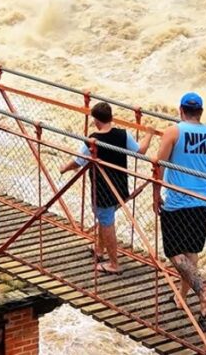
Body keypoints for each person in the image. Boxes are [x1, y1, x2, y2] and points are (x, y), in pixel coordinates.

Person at [154, 92, 206, 320]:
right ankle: (181, 298)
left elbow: (159, 166)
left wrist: (155, 194)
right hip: (202, 201)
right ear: (201, 112)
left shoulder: (173, 131)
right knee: (191, 252)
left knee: (174, 253)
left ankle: (204, 296)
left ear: (181, 110)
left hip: (178, 201)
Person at [60, 102, 152, 274]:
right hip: (120, 186)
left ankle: (114, 264)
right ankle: (99, 250)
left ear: (95, 120)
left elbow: (78, 161)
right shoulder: (123, 135)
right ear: (111, 117)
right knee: (105, 217)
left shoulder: (93, 140)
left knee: (107, 222)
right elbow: (141, 151)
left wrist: (64, 168)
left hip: (102, 189)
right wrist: (149, 134)